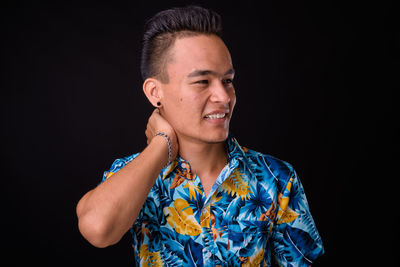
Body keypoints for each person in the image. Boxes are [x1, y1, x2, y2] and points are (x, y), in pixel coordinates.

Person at [76, 5, 324, 266]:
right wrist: (161, 143)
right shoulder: (132, 174)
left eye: (227, 80)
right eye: (202, 82)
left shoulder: (276, 179)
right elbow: (97, 229)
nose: (223, 97)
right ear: (154, 92)